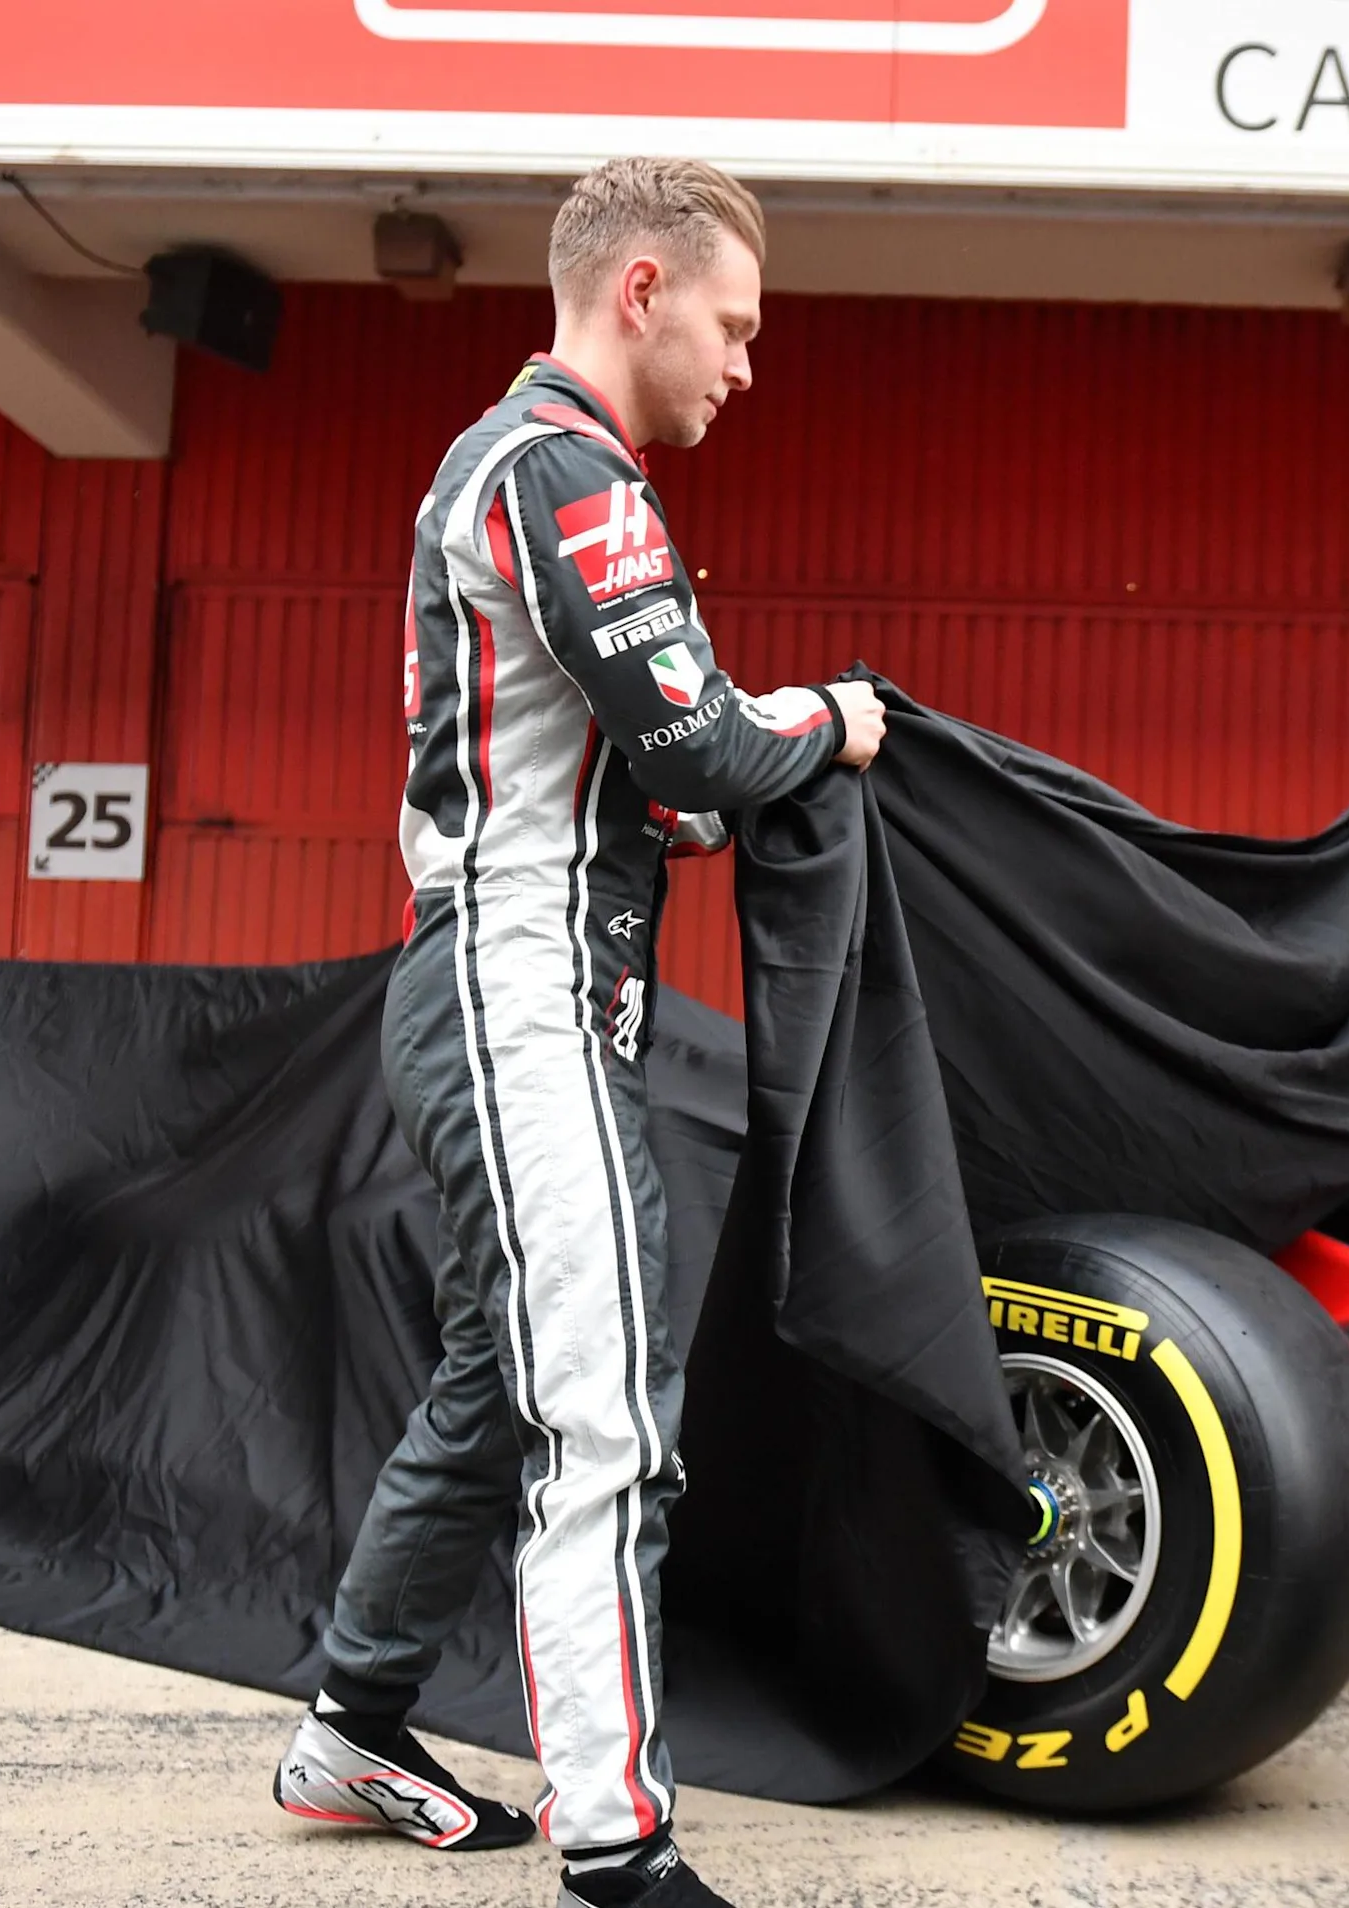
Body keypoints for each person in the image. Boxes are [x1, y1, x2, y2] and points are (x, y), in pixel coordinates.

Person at [270, 157, 884, 1908]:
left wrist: (713, 774)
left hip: (512, 984)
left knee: (497, 1382)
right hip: (518, 990)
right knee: (603, 1409)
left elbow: (645, 778)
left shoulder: (527, 468)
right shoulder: (563, 469)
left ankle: (349, 1729)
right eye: (734, 326)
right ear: (641, 289)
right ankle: (618, 1847)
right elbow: (699, 744)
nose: (745, 365)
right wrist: (830, 721)